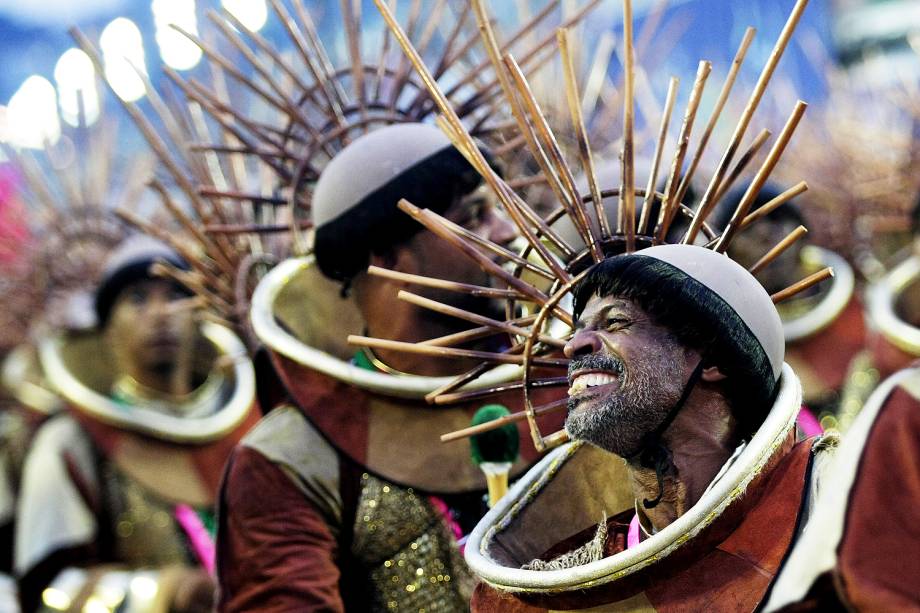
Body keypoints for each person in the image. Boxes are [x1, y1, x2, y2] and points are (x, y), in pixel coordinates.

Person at [217, 122, 568, 612]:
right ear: (386, 256)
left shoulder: (568, 390)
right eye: (475, 215)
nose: (507, 231)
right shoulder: (290, 460)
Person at [466, 244, 831, 611]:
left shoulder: (831, 512)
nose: (573, 345)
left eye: (616, 322)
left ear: (712, 359)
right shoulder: (557, 580)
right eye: (578, 329)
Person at [14, 237, 259, 613]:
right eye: (138, 299)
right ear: (108, 330)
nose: (160, 313)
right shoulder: (72, 441)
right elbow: (47, 590)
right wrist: (164, 592)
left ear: (198, 316)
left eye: (176, 295)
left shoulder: (249, 424)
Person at [715, 185, 864, 419]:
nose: (765, 236)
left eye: (777, 219)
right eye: (748, 229)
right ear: (730, 253)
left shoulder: (856, 310)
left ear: (801, 234)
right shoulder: (733, 348)